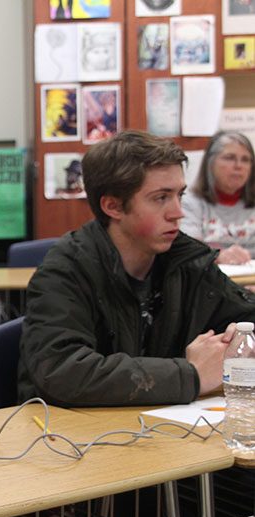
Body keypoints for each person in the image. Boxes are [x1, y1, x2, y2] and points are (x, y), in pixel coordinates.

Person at [20, 130, 255, 408]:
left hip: (161, 431)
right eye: (161, 198)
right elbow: (62, 371)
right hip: (73, 438)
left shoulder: (187, 260)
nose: (178, 211)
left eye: (179, 195)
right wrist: (190, 375)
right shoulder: (65, 271)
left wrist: (237, 338)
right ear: (113, 206)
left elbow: (247, 316)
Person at [180, 130, 255, 265]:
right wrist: (218, 256)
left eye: (245, 160)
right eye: (230, 157)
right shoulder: (189, 203)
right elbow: (188, 252)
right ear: (210, 163)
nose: (238, 166)